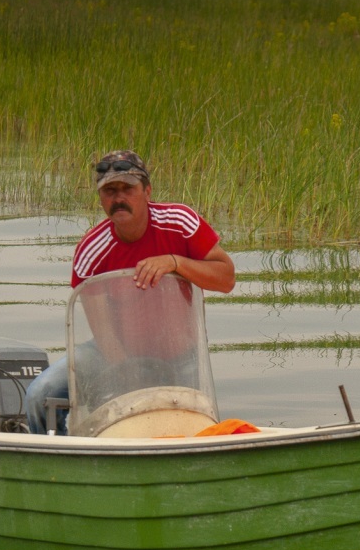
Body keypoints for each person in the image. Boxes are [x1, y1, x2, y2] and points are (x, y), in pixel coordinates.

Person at [24, 150, 235, 434]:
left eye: (127, 189)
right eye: (109, 191)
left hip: (181, 355)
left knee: (189, 426)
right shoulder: (90, 251)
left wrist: (176, 262)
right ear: (100, 198)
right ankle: (56, 464)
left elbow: (226, 279)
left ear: (147, 191)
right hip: (113, 353)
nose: (118, 198)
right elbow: (105, 334)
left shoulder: (180, 223)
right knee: (39, 393)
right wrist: (132, 376)